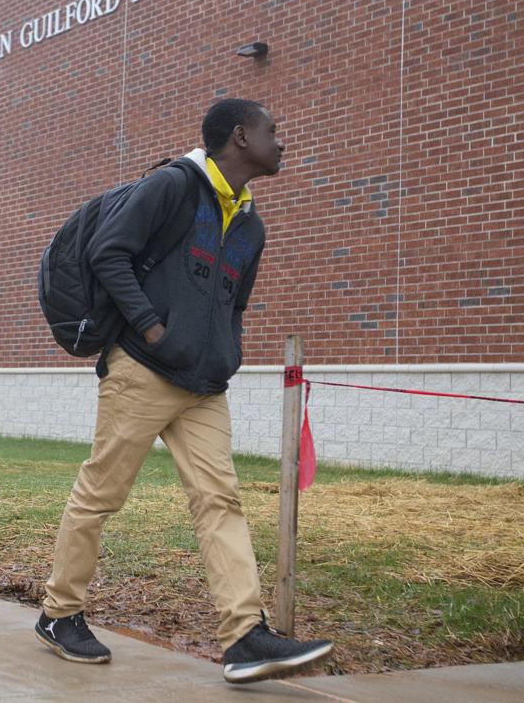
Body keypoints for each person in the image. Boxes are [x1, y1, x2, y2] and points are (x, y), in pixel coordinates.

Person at [34, 99, 333, 683]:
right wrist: (152, 329)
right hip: (143, 370)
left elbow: (236, 302)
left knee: (219, 500)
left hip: (204, 385)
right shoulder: (173, 186)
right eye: (274, 131)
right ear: (241, 137)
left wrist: (228, 350)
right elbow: (108, 252)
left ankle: (244, 636)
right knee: (101, 494)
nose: (282, 141)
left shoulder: (251, 223)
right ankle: (59, 612)